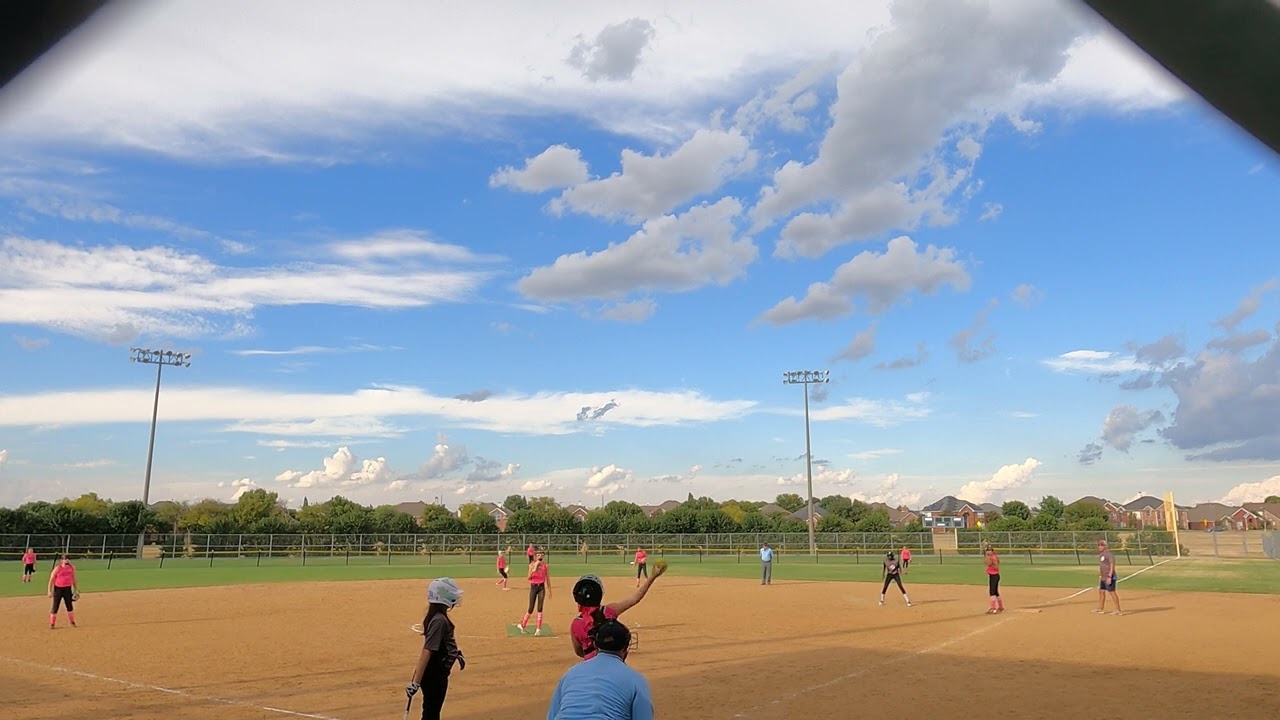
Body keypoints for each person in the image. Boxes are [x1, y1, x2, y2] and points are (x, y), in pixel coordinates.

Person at [546, 619, 654, 720]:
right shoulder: (636, 680)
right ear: (626, 648)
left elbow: (551, 716)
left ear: (595, 645)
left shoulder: (570, 674)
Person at [570, 565, 666, 661]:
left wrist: (592, 654)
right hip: (614, 662)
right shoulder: (609, 611)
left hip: (590, 665)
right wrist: (653, 576)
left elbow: (579, 651)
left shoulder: (575, 624)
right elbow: (635, 599)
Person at [406, 577, 466, 720]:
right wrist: (415, 682)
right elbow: (427, 651)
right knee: (431, 714)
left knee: (432, 712)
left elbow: (441, 645)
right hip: (434, 676)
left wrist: (455, 654)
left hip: (437, 673)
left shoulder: (438, 617)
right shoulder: (439, 620)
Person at [518, 550, 551, 635]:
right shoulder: (532, 565)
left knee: (540, 608)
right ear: (536, 556)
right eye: (538, 555)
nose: (540, 556)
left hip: (541, 587)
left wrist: (550, 590)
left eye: (541, 555)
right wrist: (534, 569)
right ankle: (523, 625)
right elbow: (528, 577)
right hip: (533, 587)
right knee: (531, 608)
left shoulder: (545, 566)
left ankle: (538, 629)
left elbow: (547, 578)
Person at [46, 554, 78, 629]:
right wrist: (49, 591)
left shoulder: (71, 568)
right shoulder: (58, 568)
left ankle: (72, 622)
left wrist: (76, 589)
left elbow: (74, 579)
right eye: (65, 559)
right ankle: (52, 623)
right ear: (62, 560)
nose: (67, 560)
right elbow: (51, 579)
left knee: (69, 605)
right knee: (55, 606)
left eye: (68, 559)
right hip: (58, 589)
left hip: (67, 588)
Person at [1095, 539, 1123, 616]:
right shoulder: (1101, 554)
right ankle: (1100, 608)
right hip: (1103, 577)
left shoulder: (1109, 554)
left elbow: (1112, 564)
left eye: (1102, 545)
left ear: (1106, 546)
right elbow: (1103, 565)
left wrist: (1110, 576)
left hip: (1109, 576)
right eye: (1099, 545)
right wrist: (1101, 575)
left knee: (1112, 592)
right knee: (1101, 591)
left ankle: (1118, 610)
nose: (1100, 547)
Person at [984, 544, 1004, 614]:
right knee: (995, 592)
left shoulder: (991, 557)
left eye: (988, 550)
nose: (987, 552)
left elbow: (994, 565)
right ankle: (1001, 607)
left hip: (994, 575)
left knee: (992, 592)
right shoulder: (995, 556)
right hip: (996, 575)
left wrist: (989, 560)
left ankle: (993, 608)